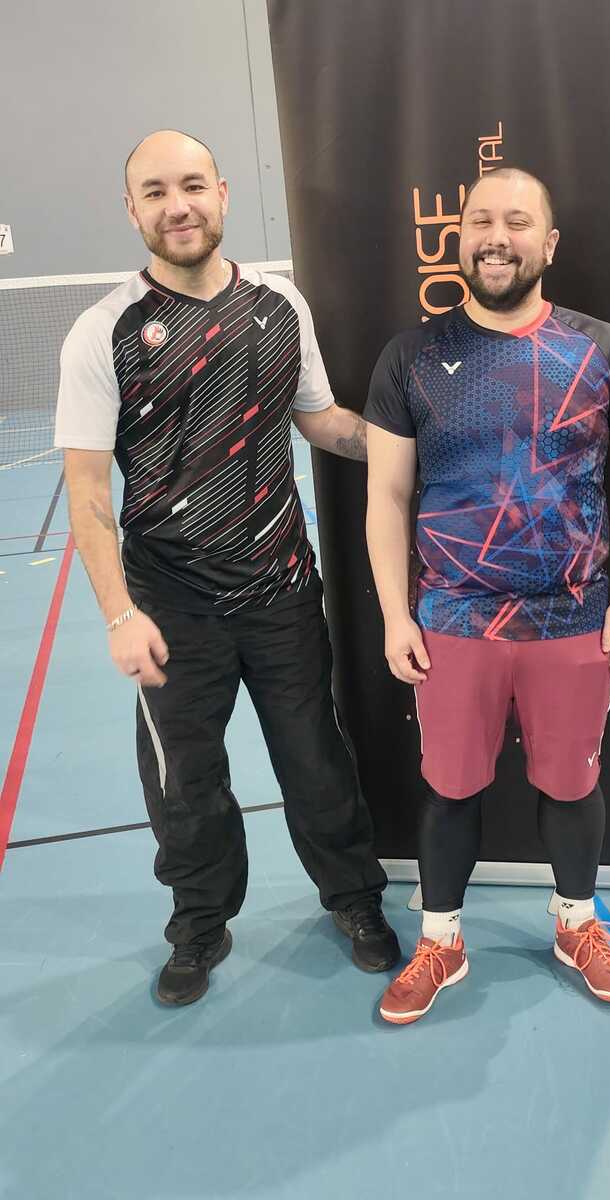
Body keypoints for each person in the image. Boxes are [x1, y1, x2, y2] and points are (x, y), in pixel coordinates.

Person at [55, 130, 399, 1007]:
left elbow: (321, 420)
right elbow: (88, 494)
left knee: (317, 761)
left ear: (223, 194)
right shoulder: (103, 332)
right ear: (131, 210)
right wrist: (119, 614)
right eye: (156, 192)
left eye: (192, 185)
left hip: (282, 592)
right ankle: (200, 925)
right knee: (186, 783)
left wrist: (408, 447)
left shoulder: (280, 305)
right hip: (170, 608)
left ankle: (354, 899)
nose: (178, 205)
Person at [365, 167, 610, 1025]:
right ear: (458, 239)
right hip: (452, 620)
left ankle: (577, 924)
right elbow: (386, 494)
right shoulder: (410, 357)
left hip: (574, 619)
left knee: (570, 786)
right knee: (451, 789)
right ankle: (441, 942)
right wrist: (394, 613)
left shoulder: (603, 350)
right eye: (481, 222)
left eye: (518, 222)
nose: (498, 238)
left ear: (549, 242)